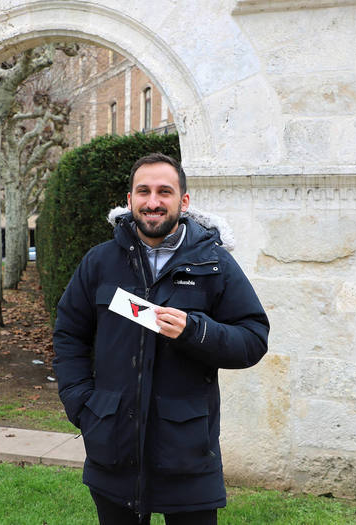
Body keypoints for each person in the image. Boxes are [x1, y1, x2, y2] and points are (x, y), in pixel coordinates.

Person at [53, 153, 269, 524]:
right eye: (144, 191)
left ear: (183, 201)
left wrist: (196, 331)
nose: (153, 202)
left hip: (188, 453)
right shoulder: (99, 262)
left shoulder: (214, 265)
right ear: (130, 199)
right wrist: (83, 405)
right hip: (113, 446)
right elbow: (69, 335)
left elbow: (253, 338)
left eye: (164, 192)